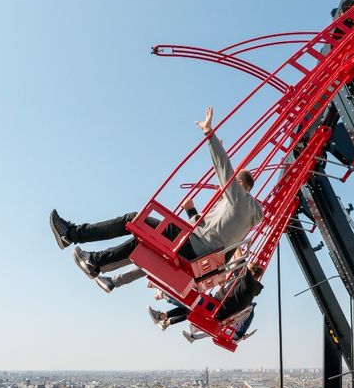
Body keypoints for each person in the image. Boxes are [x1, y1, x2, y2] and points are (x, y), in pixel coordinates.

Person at [50, 107, 264, 292]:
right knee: (142, 239)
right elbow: (212, 232)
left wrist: (209, 134)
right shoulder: (247, 219)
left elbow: (224, 168)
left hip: (192, 247)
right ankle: (95, 262)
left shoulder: (240, 199)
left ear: (242, 185)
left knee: (134, 220)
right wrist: (194, 212)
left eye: (236, 181)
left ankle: (72, 234)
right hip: (198, 258)